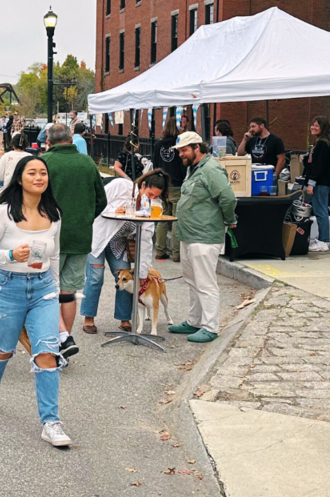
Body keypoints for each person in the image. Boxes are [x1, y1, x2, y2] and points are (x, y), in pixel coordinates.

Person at [0, 155, 72, 446]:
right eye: (32, 173)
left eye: (43, 173)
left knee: (47, 353)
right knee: (4, 349)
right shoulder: (4, 212)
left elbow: (54, 256)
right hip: (7, 288)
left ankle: (50, 422)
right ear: (19, 178)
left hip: (42, 289)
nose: (39, 177)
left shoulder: (53, 212)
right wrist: (9, 256)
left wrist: (54, 290)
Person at [41, 124, 107, 359]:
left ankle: (56, 341)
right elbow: (101, 200)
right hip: (80, 235)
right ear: (71, 139)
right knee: (69, 292)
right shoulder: (87, 163)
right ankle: (64, 340)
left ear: (49, 140)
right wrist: (85, 217)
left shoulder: (44, 162)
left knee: (46, 291)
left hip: (50, 234)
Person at [168, 131, 237, 344]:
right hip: (189, 234)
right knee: (192, 280)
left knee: (205, 283)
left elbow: (227, 197)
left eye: (184, 150)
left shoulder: (211, 169)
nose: (180, 154)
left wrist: (229, 219)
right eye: (179, 150)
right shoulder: (194, 168)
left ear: (198, 148)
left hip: (204, 235)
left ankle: (210, 326)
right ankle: (194, 320)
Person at [81, 170, 170, 334]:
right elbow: (94, 203)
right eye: (149, 194)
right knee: (95, 277)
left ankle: (124, 318)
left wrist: (142, 273)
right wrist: (115, 210)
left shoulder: (151, 206)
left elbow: (145, 240)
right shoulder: (121, 186)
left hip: (119, 244)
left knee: (127, 278)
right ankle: (89, 318)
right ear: (143, 185)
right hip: (98, 238)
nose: (151, 199)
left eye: (155, 197)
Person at [152, 115, 188, 262]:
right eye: (183, 126)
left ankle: (160, 250)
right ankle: (176, 253)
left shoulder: (158, 144)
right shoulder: (180, 145)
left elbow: (155, 164)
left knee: (162, 218)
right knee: (175, 219)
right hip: (177, 184)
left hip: (163, 184)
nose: (184, 128)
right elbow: (182, 165)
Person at [305, 116, 330, 253]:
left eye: (317, 126)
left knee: (321, 211)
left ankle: (324, 240)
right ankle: (323, 239)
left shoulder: (322, 144)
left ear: (323, 128)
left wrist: (311, 183)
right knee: (321, 210)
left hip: (321, 183)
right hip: (321, 182)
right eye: (312, 124)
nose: (313, 127)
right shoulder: (319, 142)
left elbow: (319, 166)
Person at [0, 131, 28, 196]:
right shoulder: (30, 157)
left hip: (9, 190)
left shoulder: (6, 156)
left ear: (13, 144)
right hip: (26, 190)